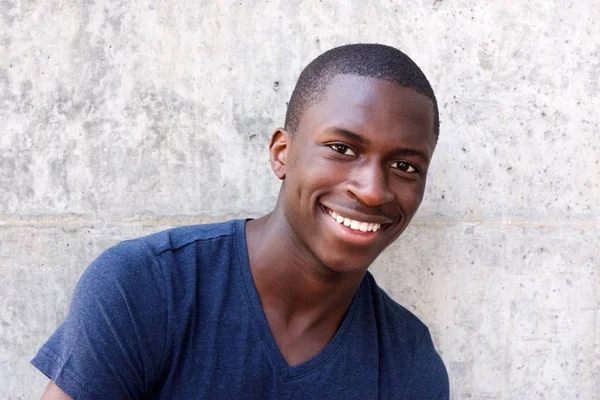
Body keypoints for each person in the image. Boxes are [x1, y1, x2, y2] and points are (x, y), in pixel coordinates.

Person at [33, 43, 449, 399]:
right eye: (341, 148)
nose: (373, 190)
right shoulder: (149, 287)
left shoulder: (408, 360)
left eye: (405, 166)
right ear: (281, 153)